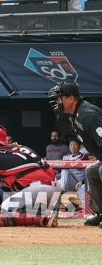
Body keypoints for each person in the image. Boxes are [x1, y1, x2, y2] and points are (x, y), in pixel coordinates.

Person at [48, 82, 102, 226]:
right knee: (92, 170)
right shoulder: (75, 115)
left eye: (60, 98)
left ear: (71, 99)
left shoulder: (86, 115)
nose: (57, 102)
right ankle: (100, 213)